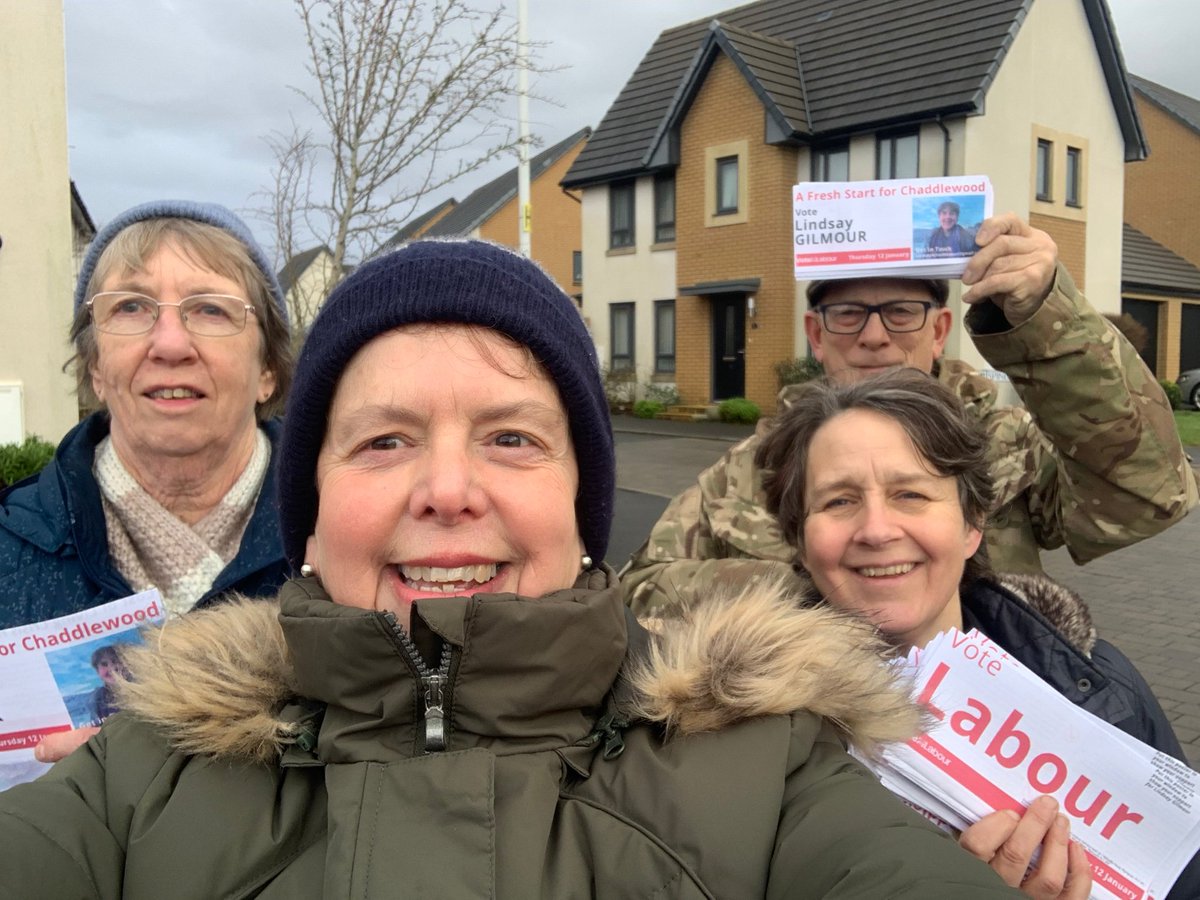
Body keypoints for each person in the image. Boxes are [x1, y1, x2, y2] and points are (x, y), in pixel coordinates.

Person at [0, 240, 1022, 896]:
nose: (448, 490)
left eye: (511, 440)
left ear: (584, 512)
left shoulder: (771, 768)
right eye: (384, 442)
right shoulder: (140, 776)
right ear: (307, 523)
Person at [756, 368, 1196, 900]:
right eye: (838, 501)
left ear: (971, 526)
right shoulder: (752, 742)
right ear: (800, 543)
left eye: (911, 494)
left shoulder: (1101, 687)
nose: (876, 530)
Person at [623, 213, 1197, 614]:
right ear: (815, 335)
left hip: (981, 740)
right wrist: (817, 589)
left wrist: (1051, 318)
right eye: (848, 313)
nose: (874, 337)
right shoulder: (747, 470)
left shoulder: (1004, 442)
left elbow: (1147, 497)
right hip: (807, 746)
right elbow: (638, 590)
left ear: (940, 330)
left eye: (901, 311)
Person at [0, 200, 294, 759]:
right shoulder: (7, 553)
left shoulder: (345, 547)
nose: (170, 344)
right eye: (131, 307)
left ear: (267, 370)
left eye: (210, 310)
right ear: (95, 368)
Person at [86, 645, 129, 725]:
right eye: (104, 664)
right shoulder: (98, 698)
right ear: (97, 672)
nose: (112, 668)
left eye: (115, 661)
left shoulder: (141, 686)